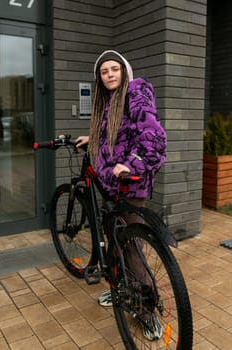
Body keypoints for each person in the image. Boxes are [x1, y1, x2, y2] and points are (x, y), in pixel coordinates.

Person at [76, 50, 167, 341]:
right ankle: (118, 289)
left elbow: (152, 135)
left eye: (115, 69)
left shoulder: (136, 91)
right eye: (104, 71)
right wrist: (92, 139)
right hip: (110, 184)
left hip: (129, 183)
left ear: (124, 70)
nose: (110, 74)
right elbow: (119, 132)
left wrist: (131, 163)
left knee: (130, 248)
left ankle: (147, 312)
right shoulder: (109, 102)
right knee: (114, 240)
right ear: (99, 78)